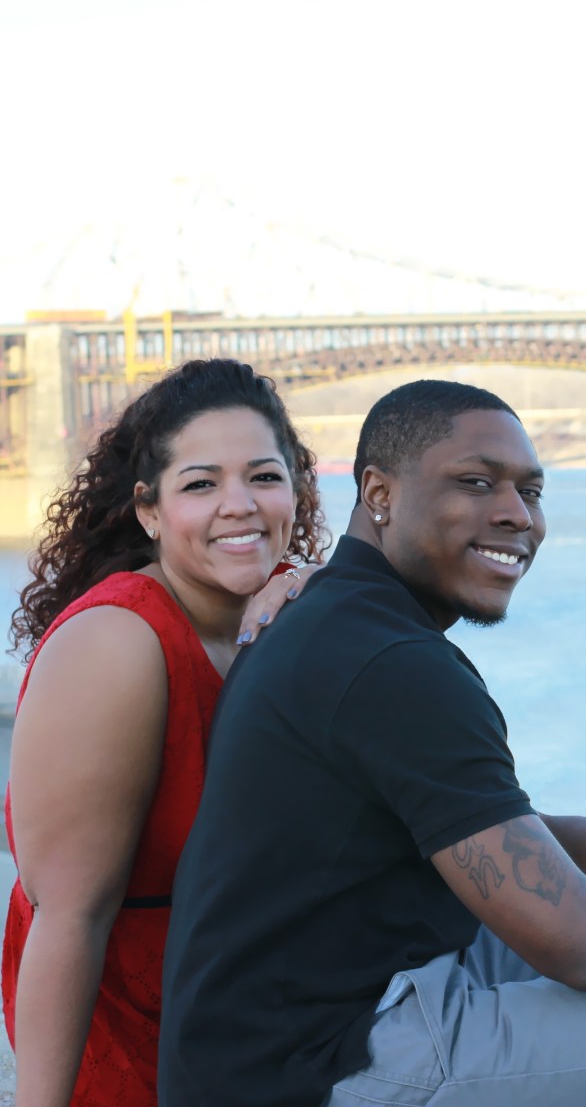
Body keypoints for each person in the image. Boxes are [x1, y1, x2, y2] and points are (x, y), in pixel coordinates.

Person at [158, 379, 586, 1107]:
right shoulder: (390, 662)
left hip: (268, 1047)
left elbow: (496, 834)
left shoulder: (332, 620)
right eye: (475, 483)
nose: (516, 515)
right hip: (322, 1067)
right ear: (379, 493)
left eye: (531, 492)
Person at [3, 357, 329, 1107]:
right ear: (150, 511)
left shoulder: (299, 616)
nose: (239, 505)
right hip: (133, 1034)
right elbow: (68, 916)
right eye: (201, 484)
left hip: (263, 1017)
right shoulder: (117, 642)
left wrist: (326, 600)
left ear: (296, 492)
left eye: (264, 477)